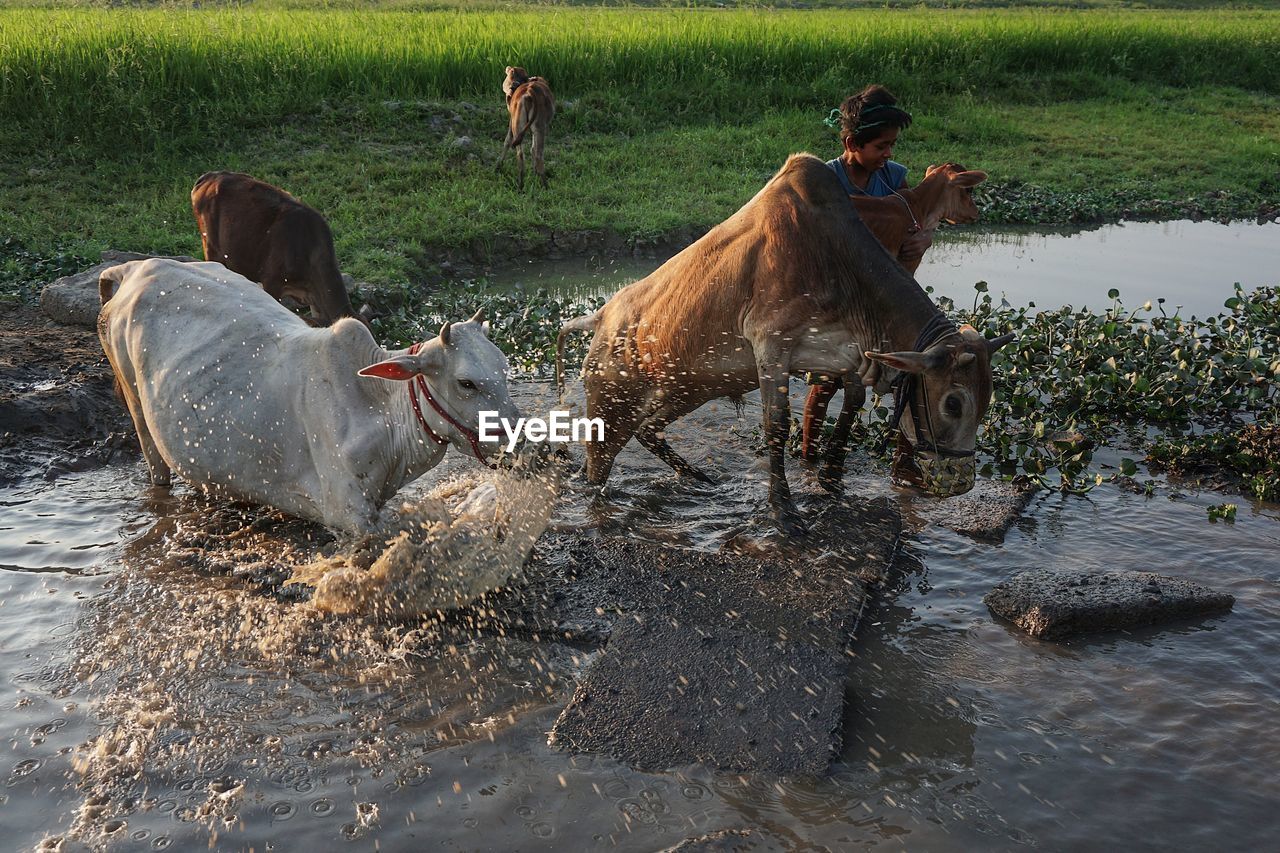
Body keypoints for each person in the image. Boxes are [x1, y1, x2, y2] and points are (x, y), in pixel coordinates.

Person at [802, 84, 933, 462]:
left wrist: (922, 240)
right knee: (827, 384)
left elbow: (916, 222)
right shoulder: (825, 180)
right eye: (880, 146)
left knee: (902, 379)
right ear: (850, 143)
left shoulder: (893, 178)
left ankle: (902, 461)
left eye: (892, 145)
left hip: (886, 300)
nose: (888, 153)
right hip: (837, 300)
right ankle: (809, 456)